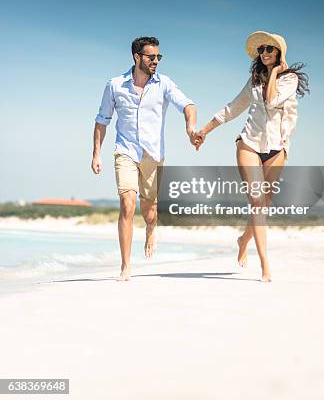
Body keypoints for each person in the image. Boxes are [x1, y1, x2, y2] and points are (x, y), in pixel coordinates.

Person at [194, 31, 309, 282]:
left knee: (264, 205)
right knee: (257, 202)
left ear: (279, 53)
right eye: (261, 50)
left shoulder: (289, 81)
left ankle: (243, 240)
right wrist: (204, 131)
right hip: (249, 144)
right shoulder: (254, 80)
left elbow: (271, 102)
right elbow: (233, 108)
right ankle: (266, 265)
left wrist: (276, 74)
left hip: (277, 147)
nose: (265, 53)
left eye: (270, 49)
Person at [91, 36, 197, 281]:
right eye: (151, 57)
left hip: (153, 154)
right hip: (125, 151)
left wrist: (190, 127)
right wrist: (96, 153)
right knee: (127, 205)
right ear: (136, 57)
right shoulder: (115, 85)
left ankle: (151, 227)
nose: (156, 61)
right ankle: (125, 266)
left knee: (149, 212)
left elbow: (188, 105)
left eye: (159, 57)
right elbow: (102, 120)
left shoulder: (164, 84)